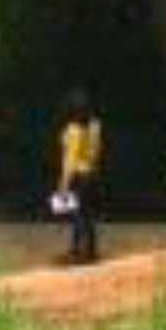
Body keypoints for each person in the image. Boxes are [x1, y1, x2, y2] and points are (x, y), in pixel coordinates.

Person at [53, 88, 103, 265]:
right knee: (89, 215)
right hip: (92, 174)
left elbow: (69, 160)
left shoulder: (73, 130)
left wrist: (63, 185)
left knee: (78, 216)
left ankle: (78, 254)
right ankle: (90, 252)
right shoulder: (96, 126)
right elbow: (97, 152)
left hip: (78, 176)